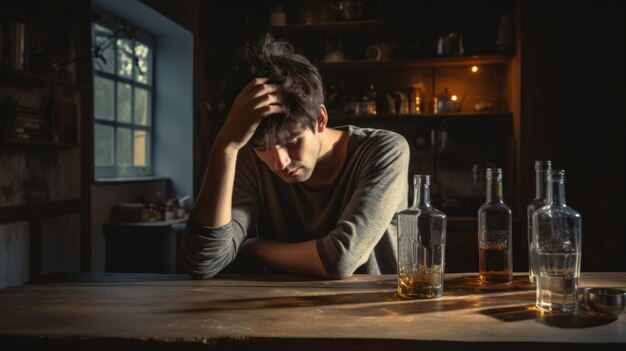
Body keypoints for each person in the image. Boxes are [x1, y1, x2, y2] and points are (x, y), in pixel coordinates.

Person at [181, 33, 409, 279]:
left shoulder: (385, 150)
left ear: (320, 119)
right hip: (278, 310)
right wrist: (224, 146)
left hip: (373, 310)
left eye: (291, 142)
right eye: (263, 148)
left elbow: (340, 259)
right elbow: (204, 263)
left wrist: (252, 246)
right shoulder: (249, 155)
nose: (280, 162)